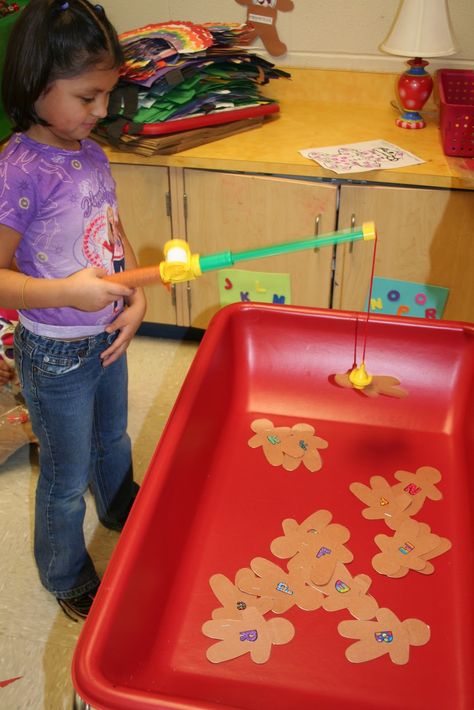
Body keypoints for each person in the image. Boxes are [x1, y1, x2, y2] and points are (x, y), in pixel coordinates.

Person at [0, 0, 146, 620]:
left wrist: (133, 291)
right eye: (87, 97)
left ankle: (118, 507)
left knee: (113, 436)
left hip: (107, 333)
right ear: (36, 87)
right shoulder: (17, 171)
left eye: (107, 96)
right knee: (63, 475)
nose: (101, 112)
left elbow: (111, 230)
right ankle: (64, 573)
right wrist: (66, 293)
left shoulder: (89, 152)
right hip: (55, 350)